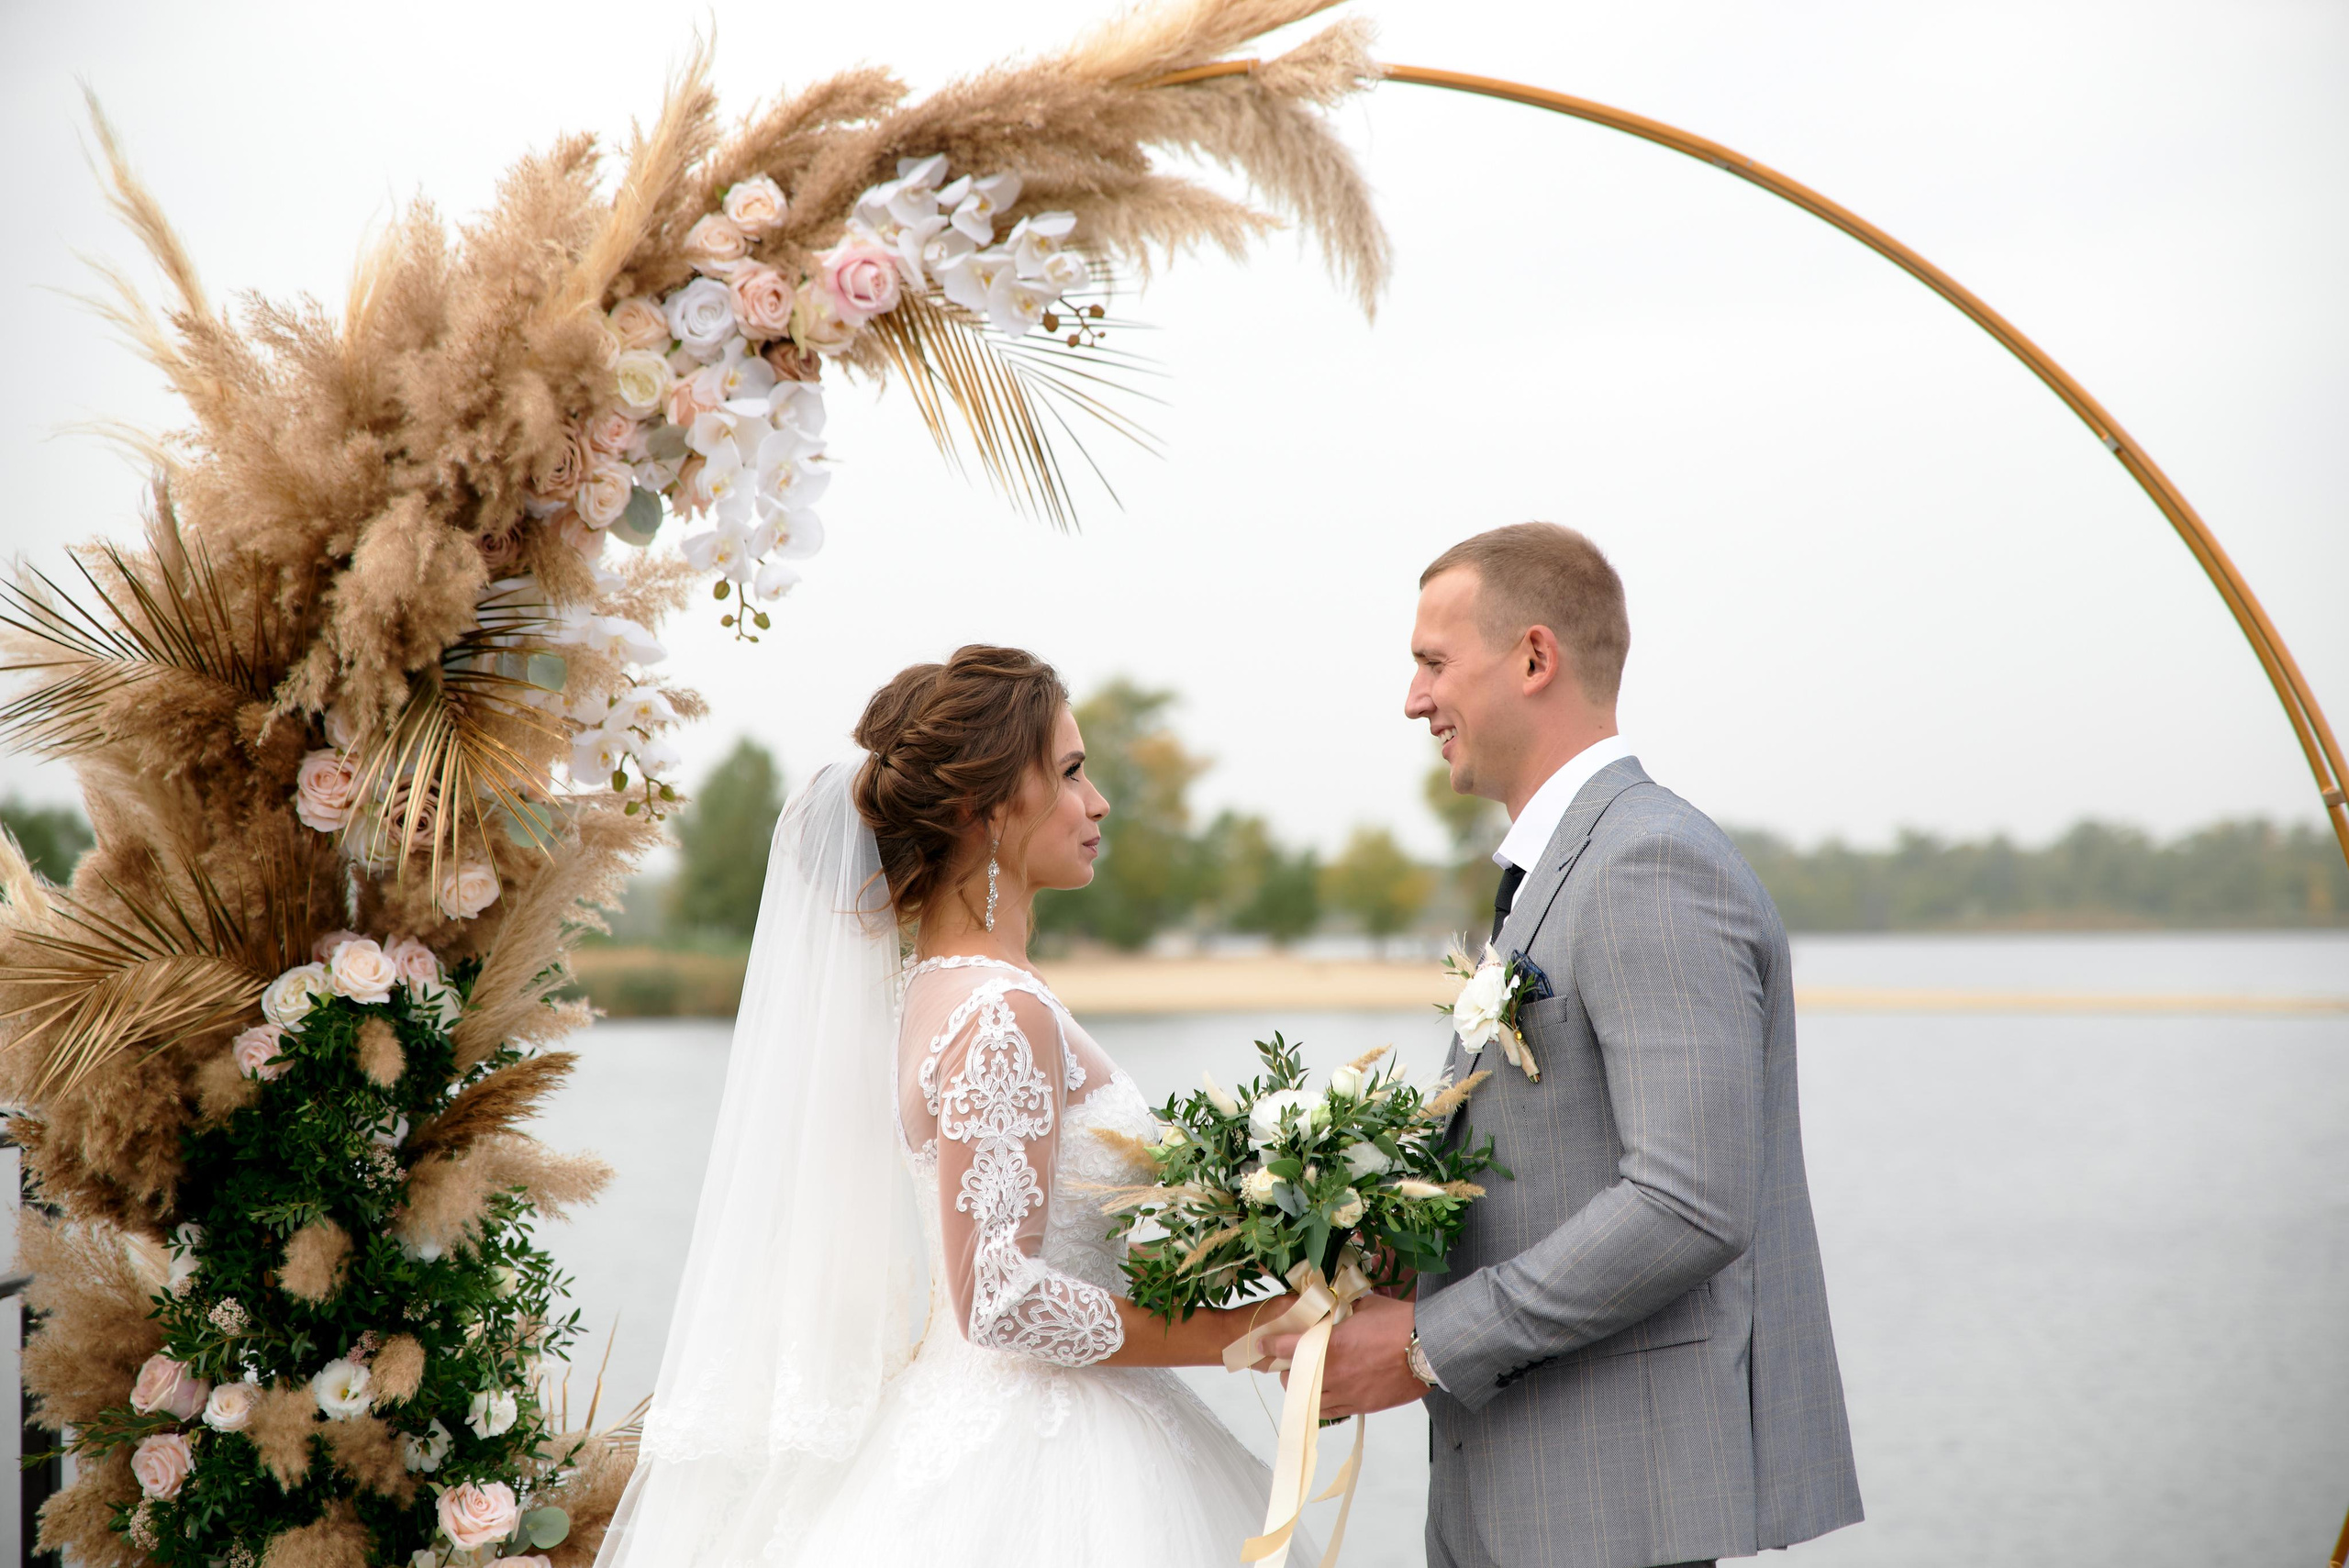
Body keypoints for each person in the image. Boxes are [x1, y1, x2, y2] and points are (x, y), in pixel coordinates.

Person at [596, 645, 1305, 1568]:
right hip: (1043, 1459)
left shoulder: (926, 995)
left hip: (981, 1418)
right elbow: (1000, 1296)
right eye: (1071, 772)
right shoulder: (999, 1013)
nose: (1097, 803)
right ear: (985, 808)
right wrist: (1242, 1333)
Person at [1284, 524, 1864, 1568]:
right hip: (1521, 1496)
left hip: (1610, 1509)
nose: (1413, 700)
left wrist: (1423, 1349)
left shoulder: (1646, 862)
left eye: (1431, 662)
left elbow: (1687, 1202)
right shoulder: (1561, 868)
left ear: (1535, 658)